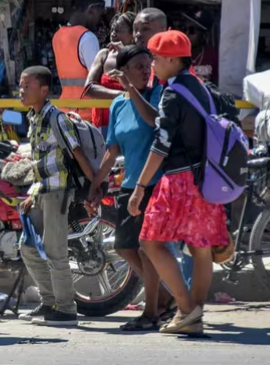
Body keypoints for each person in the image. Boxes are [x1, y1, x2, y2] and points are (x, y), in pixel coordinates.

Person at [129, 30, 229, 336]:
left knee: (150, 241)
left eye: (156, 58)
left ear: (173, 59)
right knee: (200, 247)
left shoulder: (173, 93)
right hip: (207, 178)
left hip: (180, 181)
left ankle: (185, 308)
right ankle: (193, 315)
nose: (152, 65)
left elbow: (161, 146)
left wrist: (140, 187)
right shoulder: (202, 87)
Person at [87, 46, 175, 331]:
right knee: (125, 246)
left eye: (147, 65)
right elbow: (112, 152)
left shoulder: (157, 95)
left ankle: (151, 312)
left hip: (154, 185)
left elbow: (153, 120)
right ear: (122, 71)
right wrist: (95, 183)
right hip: (129, 186)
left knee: (148, 250)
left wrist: (131, 89)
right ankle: (164, 297)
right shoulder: (118, 105)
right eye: (138, 66)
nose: (146, 70)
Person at [17, 66, 95, 327]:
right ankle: (49, 301)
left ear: (44, 90)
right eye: (21, 85)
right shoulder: (34, 117)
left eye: (27, 86)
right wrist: (32, 194)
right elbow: (42, 161)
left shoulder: (57, 118)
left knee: (55, 252)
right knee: (27, 248)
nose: (21, 90)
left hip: (58, 193)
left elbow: (77, 154)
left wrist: (95, 185)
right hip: (41, 192)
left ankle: (66, 310)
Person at [52, 0, 105, 121]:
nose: (99, 20)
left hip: (64, 110)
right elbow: (98, 76)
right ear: (91, 10)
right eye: (99, 14)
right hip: (85, 113)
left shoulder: (57, 35)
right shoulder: (87, 37)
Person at [86, 12, 137, 133]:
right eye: (113, 29)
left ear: (132, 34)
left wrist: (125, 53)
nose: (113, 34)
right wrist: (123, 95)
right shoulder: (104, 55)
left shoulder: (140, 57)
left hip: (130, 121)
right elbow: (89, 88)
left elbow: (141, 88)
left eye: (119, 30)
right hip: (103, 124)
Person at [179, 10, 219, 85]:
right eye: (184, 28)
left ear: (204, 36)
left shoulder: (212, 55)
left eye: (192, 30)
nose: (186, 34)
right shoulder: (177, 55)